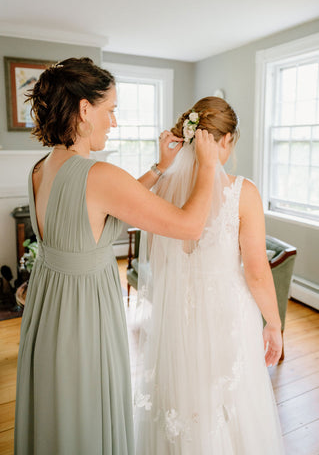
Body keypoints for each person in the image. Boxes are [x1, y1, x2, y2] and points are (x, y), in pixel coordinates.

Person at [14, 58, 219, 455]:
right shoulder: (98, 175)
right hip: (83, 315)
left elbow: (103, 205)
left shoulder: (41, 169)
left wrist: (160, 169)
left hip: (48, 308)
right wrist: (208, 167)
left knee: (58, 409)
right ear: (84, 109)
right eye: (111, 110)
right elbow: (189, 226)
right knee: (85, 409)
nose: (114, 122)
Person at [134, 97, 285, 454]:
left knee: (183, 399)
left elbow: (155, 258)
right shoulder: (242, 192)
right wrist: (274, 324)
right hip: (228, 317)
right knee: (229, 403)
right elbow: (257, 272)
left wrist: (160, 166)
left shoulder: (163, 190)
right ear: (226, 140)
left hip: (177, 320)